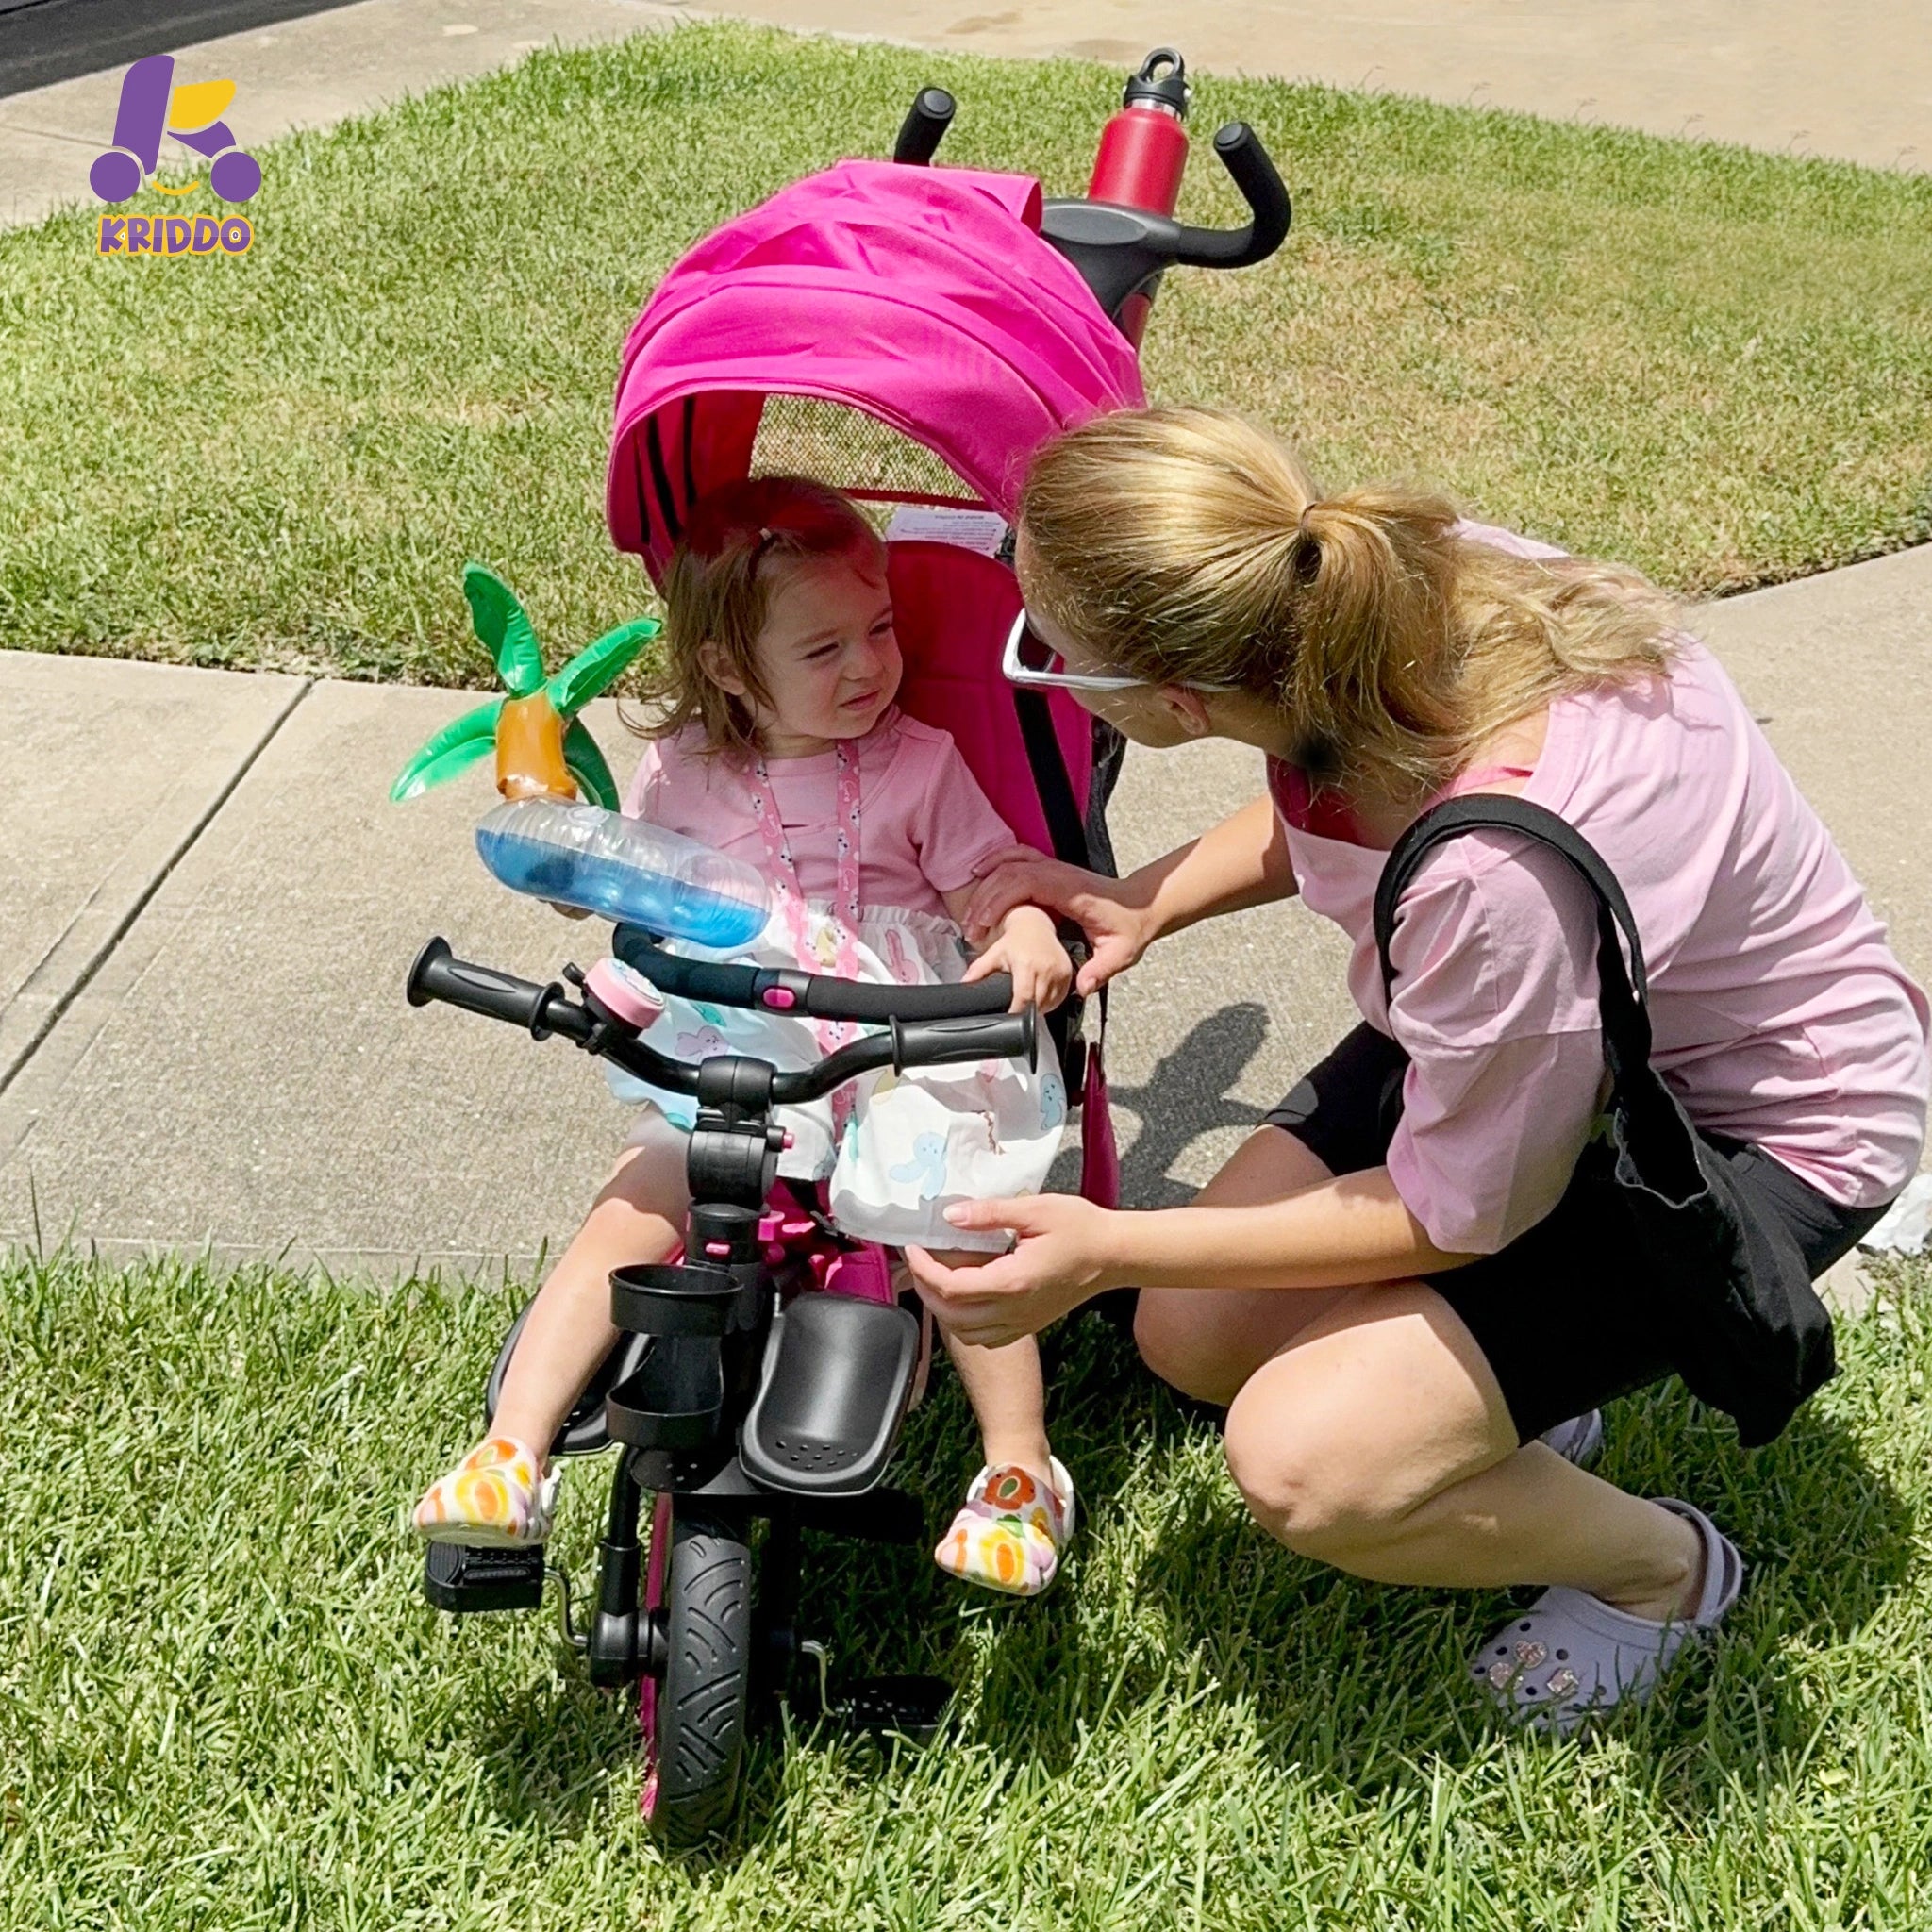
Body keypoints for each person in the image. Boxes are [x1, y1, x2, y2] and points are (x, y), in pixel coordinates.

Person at [907, 406, 1930, 1726]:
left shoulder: (1493, 883)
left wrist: (1111, 1242)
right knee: (1191, 1333)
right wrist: (1149, 900)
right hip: (1530, 1040)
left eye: (1059, 650)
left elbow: (1463, 1213)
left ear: (1171, 703)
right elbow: (1320, 789)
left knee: (1303, 1464)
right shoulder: (1376, 587)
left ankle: (1664, 1574)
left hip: (1749, 1129)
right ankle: (1513, 1409)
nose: (1043, 656)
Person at [413, 475, 1079, 1597]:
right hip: (734, 1044)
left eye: (879, 631)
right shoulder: (682, 770)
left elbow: (984, 881)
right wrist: (583, 921)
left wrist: (1018, 928)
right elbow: (649, 901)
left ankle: (1019, 1470)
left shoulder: (919, 762)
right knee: (634, 1200)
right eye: (823, 650)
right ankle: (511, 1452)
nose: (868, 665)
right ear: (728, 667)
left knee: (950, 1232)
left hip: (888, 1051)